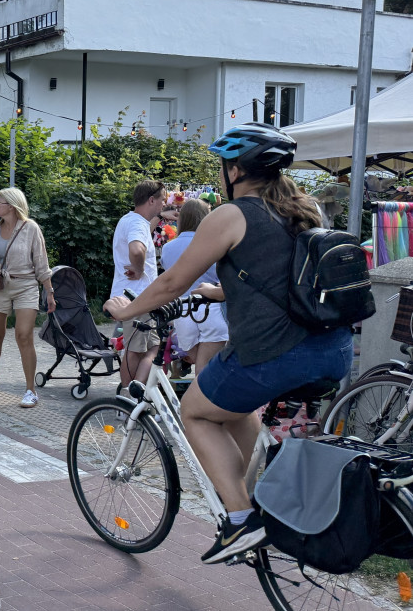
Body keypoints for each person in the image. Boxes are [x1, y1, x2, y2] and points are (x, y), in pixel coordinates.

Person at [104, 123, 351, 564]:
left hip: (273, 353)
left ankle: (240, 522)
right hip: (332, 351)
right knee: (232, 407)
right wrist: (219, 293)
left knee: (194, 412)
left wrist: (125, 311)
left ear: (234, 169)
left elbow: (173, 281)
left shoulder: (231, 215)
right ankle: (263, 497)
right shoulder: (304, 209)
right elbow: (284, 280)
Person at [0, 188, 56, 408]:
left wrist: (50, 292)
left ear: (12, 206)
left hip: (25, 285)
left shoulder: (31, 229)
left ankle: (30, 390)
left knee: (23, 335)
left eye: (0, 202)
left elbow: (42, 264)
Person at [111, 180, 176, 395]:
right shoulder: (137, 224)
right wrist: (138, 270)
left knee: (147, 348)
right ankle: (131, 397)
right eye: (162, 200)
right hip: (138, 299)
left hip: (133, 298)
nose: (163, 204)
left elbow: (141, 237)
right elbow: (137, 250)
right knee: (138, 350)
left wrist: (160, 216)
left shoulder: (129, 220)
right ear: (151, 200)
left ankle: (132, 396)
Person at [159, 199, 228, 370]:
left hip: (182, 309)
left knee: (197, 361)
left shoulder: (168, 248)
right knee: (207, 369)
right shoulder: (215, 245)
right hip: (210, 308)